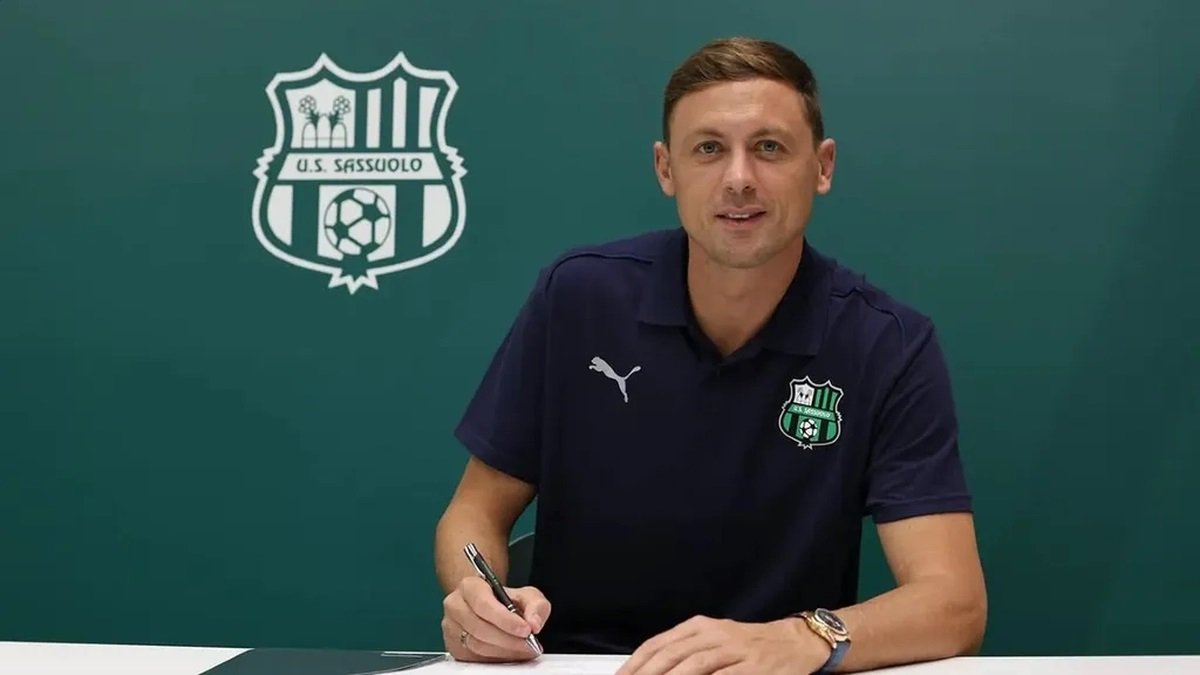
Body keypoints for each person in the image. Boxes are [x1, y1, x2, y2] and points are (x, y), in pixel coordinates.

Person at [434, 36, 987, 674]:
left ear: (823, 166)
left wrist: (804, 638)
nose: (739, 178)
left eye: (769, 147)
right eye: (709, 149)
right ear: (666, 169)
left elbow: (954, 604)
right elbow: (473, 511)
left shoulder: (888, 343)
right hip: (583, 666)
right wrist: (478, 599)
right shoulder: (578, 297)